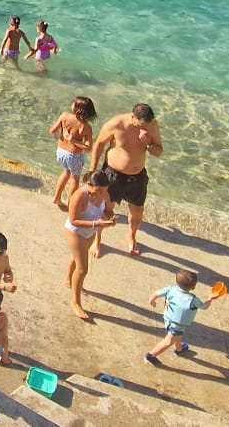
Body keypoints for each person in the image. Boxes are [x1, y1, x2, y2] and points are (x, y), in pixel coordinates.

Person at [89, 103, 163, 255]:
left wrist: (148, 143)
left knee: (137, 212)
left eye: (147, 124)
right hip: (113, 175)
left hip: (137, 178)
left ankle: (131, 236)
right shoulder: (116, 124)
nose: (143, 128)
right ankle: (96, 240)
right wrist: (92, 171)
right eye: (140, 124)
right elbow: (99, 144)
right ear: (132, 117)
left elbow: (158, 152)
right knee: (105, 210)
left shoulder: (152, 126)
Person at [63, 170, 118, 320]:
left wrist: (110, 218)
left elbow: (107, 209)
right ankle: (75, 302)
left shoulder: (104, 193)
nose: (100, 193)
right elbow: (73, 219)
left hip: (90, 231)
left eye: (103, 190)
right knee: (82, 268)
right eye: (98, 189)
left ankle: (68, 280)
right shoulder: (79, 196)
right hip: (76, 231)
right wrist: (97, 223)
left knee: (76, 257)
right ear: (88, 184)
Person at [144, 270, 216, 365]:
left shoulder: (170, 289)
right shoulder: (193, 300)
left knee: (177, 336)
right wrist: (210, 298)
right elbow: (204, 306)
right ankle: (151, 355)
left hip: (168, 318)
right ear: (193, 286)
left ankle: (179, 349)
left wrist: (152, 301)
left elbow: (154, 295)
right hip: (177, 324)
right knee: (168, 341)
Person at [50, 96, 96, 208]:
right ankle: (72, 205)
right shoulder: (86, 127)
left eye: (73, 103)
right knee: (75, 178)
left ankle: (56, 198)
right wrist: (74, 140)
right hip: (74, 156)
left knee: (66, 172)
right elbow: (88, 148)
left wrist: (62, 134)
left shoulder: (64, 116)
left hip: (61, 152)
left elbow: (52, 131)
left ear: (77, 108)